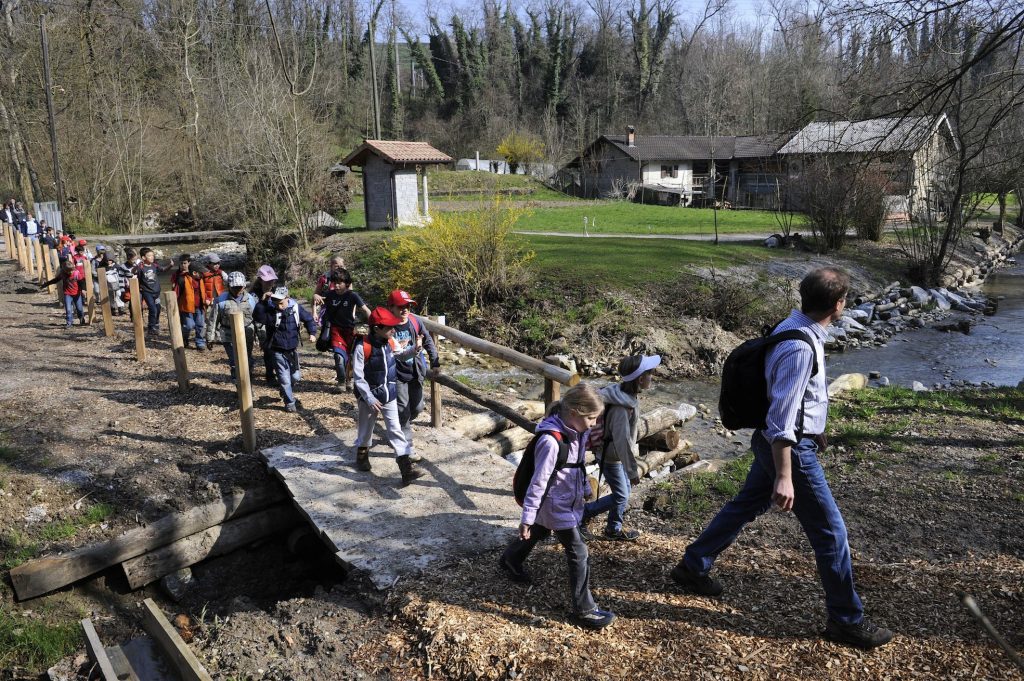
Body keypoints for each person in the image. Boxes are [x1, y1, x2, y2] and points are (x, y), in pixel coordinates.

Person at [670, 267, 893, 650]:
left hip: (785, 442)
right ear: (838, 305)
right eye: (844, 301)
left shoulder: (794, 325)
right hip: (788, 449)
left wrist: (816, 422)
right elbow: (780, 417)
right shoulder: (800, 345)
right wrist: (786, 475)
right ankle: (846, 619)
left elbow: (798, 397)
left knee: (744, 505)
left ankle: (693, 565)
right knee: (830, 531)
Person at [499, 384, 616, 630]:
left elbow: (577, 464)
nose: (594, 423)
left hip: (563, 501)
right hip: (555, 504)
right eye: (592, 418)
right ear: (574, 411)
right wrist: (527, 517)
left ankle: (511, 558)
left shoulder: (578, 431)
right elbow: (537, 483)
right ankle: (584, 610)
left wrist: (584, 489)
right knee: (578, 553)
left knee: (540, 531)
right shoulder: (551, 442)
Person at [581, 354, 661, 542]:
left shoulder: (625, 395)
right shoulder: (621, 407)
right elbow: (622, 441)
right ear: (640, 379)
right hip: (611, 458)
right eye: (650, 373)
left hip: (614, 456)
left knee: (623, 492)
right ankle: (583, 513)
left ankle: (613, 528)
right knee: (621, 495)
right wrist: (632, 470)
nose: (653, 376)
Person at [351, 306, 424, 484]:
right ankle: (361, 457)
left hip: (389, 394)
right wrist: (369, 397)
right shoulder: (362, 347)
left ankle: (406, 470)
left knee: (395, 429)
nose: (393, 330)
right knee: (366, 430)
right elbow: (358, 377)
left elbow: (400, 356)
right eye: (389, 327)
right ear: (377, 329)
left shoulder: (391, 342)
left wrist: (415, 350)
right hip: (369, 397)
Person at [386, 289, 440, 463]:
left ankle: (399, 428)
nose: (405, 310)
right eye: (400, 306)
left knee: (416, 408)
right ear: (391, 308)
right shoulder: (387, 327)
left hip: (416, 372)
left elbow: (428, 341)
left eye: (408, 306)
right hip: (397, 374)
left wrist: (435, 360)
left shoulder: (415, 322)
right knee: (403, 410)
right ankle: (408, 448)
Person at [253, 286, 317, 412]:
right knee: (284, 378)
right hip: (277, 350)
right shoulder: (271, 310)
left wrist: (312, 333)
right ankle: (290, 403)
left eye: (281, 302)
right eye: (276, 302)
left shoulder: (295, 308)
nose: (279, 305)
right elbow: (257, 317)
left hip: (292, 350)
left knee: (296, 377)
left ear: (288, 298)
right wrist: (262, 302)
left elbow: (309, 319)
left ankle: (284, 390)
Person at [322, 268, 370, 391]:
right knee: (339, 357)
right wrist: (316, 297)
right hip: (335, 330)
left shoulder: (352, 295)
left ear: (347, 283)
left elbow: (365, 310)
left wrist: (376, 323)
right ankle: (341, 381)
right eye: (334, 283)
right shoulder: (330, 295)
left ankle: (350, 379)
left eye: (340, 283)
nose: (336, 286)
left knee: (351, 358)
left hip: (350, 331)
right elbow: (318, 299)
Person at [206, 271, 258, 380]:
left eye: (240, 287)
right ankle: (238, 382)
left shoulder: (251, 299)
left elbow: (257, 319)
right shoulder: (221, 300)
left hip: (247, 333)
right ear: (229, 286)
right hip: (228, 334)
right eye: (235, 287)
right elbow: (213, 320)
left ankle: (248, 377)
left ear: (244, 285)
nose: (238, 290)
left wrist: (260, 337)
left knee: (247, 358)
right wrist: (210, 338)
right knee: (235, 360)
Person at [171, 255, 207, 350]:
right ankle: (184, 338)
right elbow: (176, 293)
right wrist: (174, 306)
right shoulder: (182, 279)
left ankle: (200, 343)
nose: (203, 275)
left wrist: (207, 299)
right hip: (186, 308)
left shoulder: (201, 280)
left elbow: (204, 291)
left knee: (200, 325)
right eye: (201, 273)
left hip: (199, 306)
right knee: (189, 325)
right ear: (194, 273)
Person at [134, 247, 173, 335]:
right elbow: (136, 277)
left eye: (152, 255)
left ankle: (156, 323)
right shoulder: (141, 267)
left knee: (158, 308)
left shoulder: (154, 265)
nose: (152, 257)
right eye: (149, 256)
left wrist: (170, 265)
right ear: (144, 258)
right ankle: (151, 327)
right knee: (152, 309)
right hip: (147, 292)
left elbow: (162, 270)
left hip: (156, 292)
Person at [40, 260, 86, 328]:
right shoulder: (62, 274)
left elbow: (82, 282)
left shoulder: (76, 273)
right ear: (64, 271)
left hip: (77, 294)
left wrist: (83, 290)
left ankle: (81, 318)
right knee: (68, 309)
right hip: (67, 294)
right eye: (68, 271)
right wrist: (46, 284)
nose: (70, 272)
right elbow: (55, 280)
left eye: (71, 270)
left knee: (79, 309)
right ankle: (69, 322)